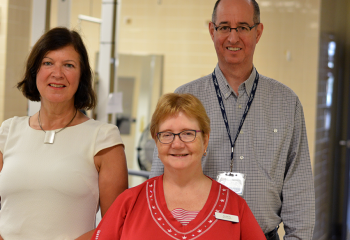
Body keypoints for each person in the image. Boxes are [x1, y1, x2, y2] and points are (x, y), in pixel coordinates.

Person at [150, 0, 315, 239]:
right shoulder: (185, 99)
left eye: (243, 27)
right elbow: (159, 181)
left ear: (258, 32)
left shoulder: (286, 103)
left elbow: (299, 194)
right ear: (212, 31)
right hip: (195, 235)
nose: (233, 37)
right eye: (225, 27)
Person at [0, 27, 128, 239]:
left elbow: (116, 226)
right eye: (48, 63)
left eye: (69, 65)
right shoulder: (8, 131)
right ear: (35, 72)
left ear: (81, 76)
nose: (57, 73)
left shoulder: (103, 138)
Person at [90, 93, 265, 240]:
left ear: (205, 140)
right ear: (155, 142)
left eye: (188, 133)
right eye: (167, 135)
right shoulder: (128, 203)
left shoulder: (235, 207)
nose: (177, 144)